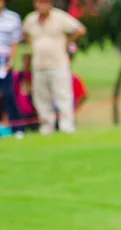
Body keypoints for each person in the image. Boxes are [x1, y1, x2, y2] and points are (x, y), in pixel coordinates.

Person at [22, 0, 87, 135]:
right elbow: (24, 33)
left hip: (58, 63)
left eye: (45, 2)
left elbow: (80, 29)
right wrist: (33, 44)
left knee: (63, 95)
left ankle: (66, 126)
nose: (42, 5)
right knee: (41, 98)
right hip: (39, 64)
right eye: (40, 2)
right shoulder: (31, 19)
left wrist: (67, 43)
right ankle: (47, 128)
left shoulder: (60, 17)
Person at [0, 0, 25, 139]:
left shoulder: (12, 18)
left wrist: (10, 62)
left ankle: (18, 128)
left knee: (9, 95)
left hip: (4, 63)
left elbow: (14, 42)